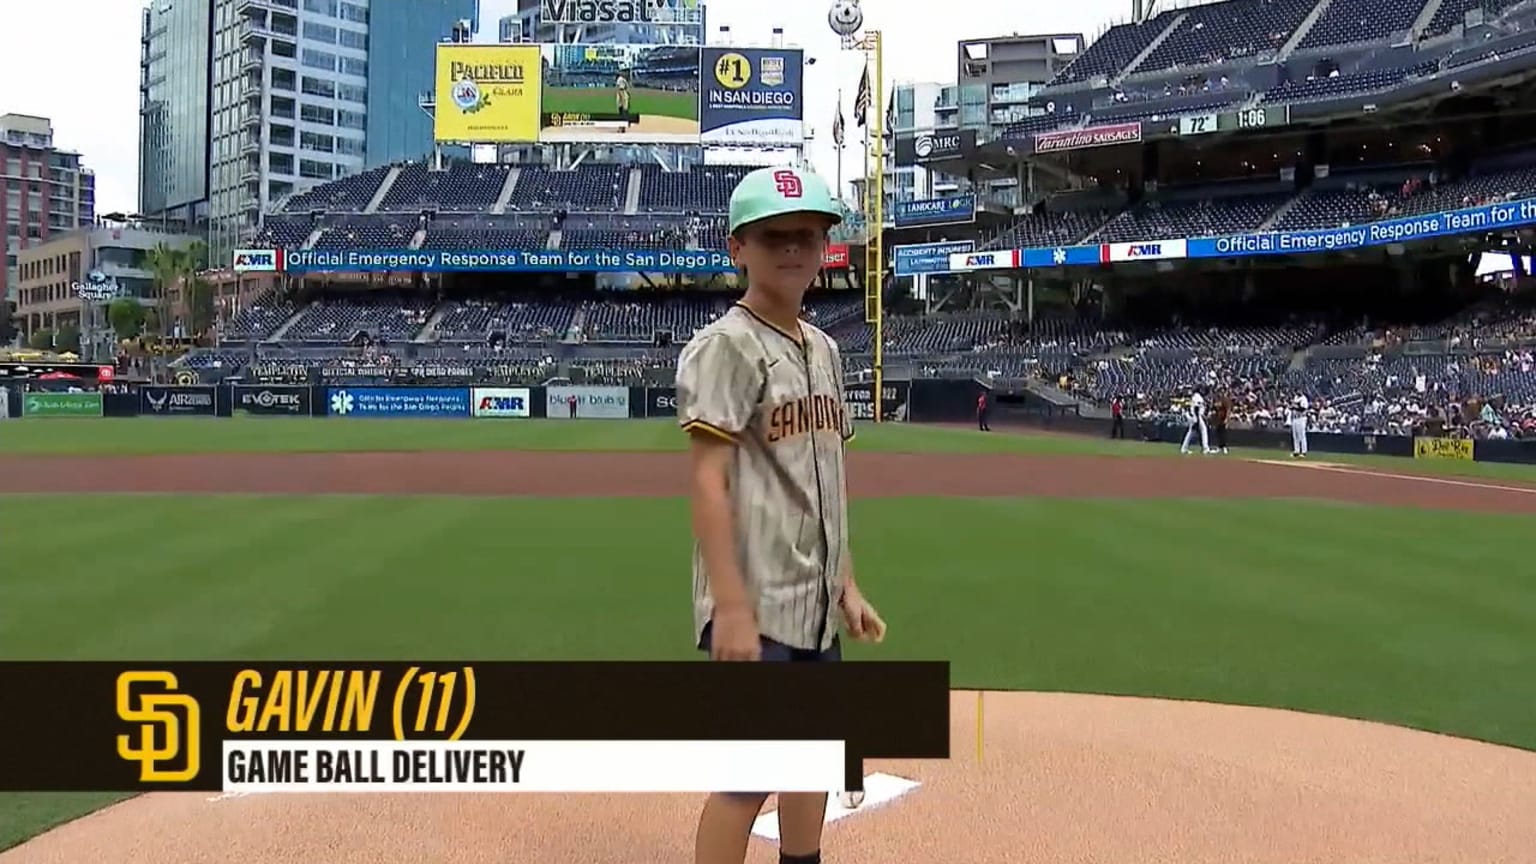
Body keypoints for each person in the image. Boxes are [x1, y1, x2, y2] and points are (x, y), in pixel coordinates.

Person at [674, 165, 887, 864]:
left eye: (807, 234)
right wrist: (730, 608)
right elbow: (709, 480)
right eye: (774, 237)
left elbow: (826, 477)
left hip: (814, 602)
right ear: (738, 247)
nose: (793, 249)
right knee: (745, 782)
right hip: (756, 603)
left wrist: (847, 584)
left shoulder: (824, 349)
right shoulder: (726, 345)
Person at [1180, 389, 1213, 455]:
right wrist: (1197, 420)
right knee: (1203, 430)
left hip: (1194, 416)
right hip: (1196, 417)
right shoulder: (1198, 397)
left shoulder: (1195, 396)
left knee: (1190, 433)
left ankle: (1184, 448)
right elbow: (1196, 408)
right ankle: (1205, 449)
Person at [1289, 392, 1310, 457]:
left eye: (1299, 391)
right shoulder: (1295, 397)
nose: (1298, 392)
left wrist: (1294, 407)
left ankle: (1304, 452)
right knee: (1295, 436)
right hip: (1295, 418)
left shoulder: (1304, 399)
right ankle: (1296, 451)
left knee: (1302, 435)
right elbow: (1293, 407)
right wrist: (1292, 407)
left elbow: (1303, 408)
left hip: (1301, 418)